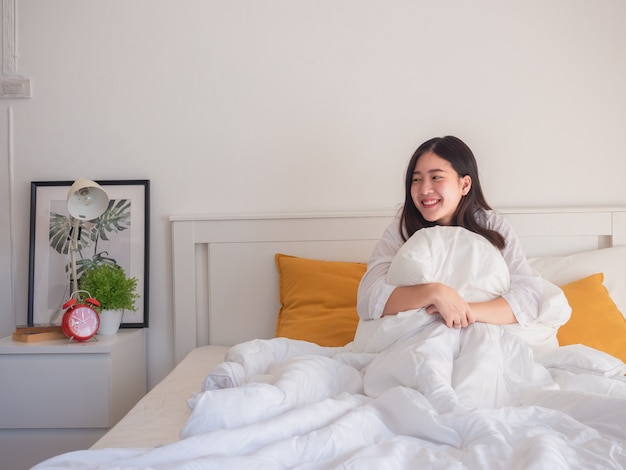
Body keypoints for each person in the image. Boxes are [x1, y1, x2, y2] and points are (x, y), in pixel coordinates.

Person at [357, 135, 543, 330]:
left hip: (482, 330)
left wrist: (459, 310)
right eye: (416, 179)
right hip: (416, 335)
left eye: (436, 177)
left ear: (464, 185)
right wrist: (435, 293)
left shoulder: (492, 225)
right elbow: (369, 297)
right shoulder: (403, 227)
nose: (424, 189)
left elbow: (529, 298)